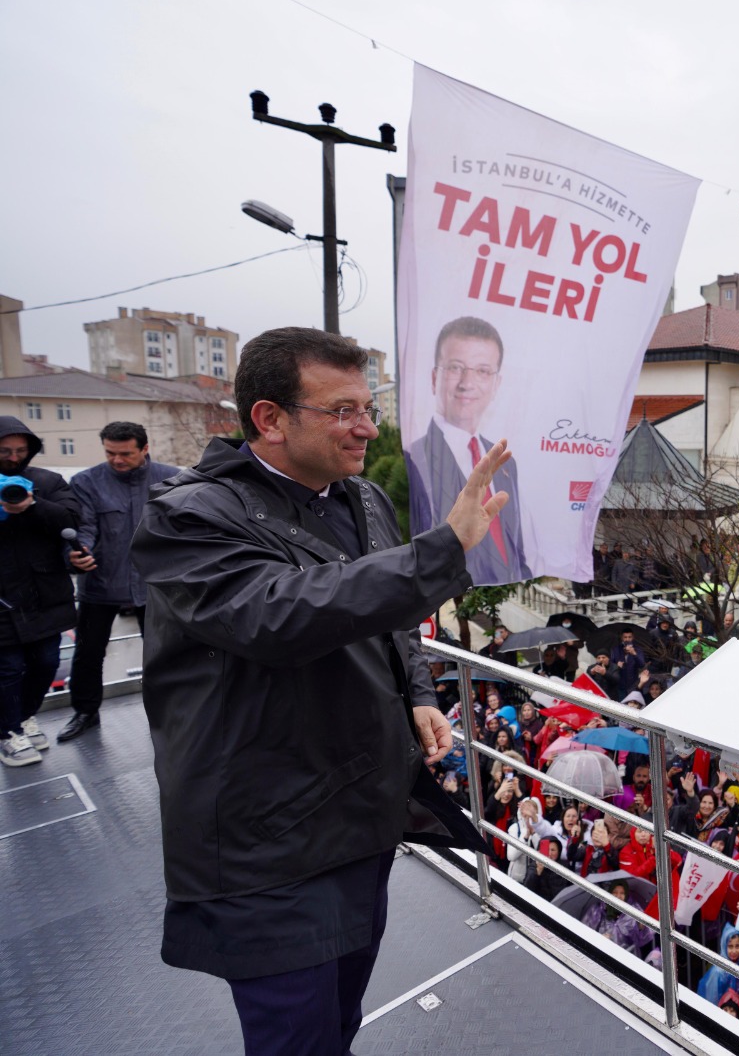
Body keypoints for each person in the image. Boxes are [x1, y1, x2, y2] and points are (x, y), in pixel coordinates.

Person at [131, 327, 502, 1056]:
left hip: (357, 818)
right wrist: (443, 549)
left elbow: (388, 618)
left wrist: (419, 691)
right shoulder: (189, 517)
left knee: (337, 1022)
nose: (367, 427)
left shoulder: (362, 499)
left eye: (368, 407)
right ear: (270, 419)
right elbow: (284, 612)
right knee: (294, 1040)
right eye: (341, 411)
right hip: (267, 840)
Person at [59, 421, 179, 743]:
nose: (117, 460)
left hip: (155, 585)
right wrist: (77, 554)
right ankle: (85, 712)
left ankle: (172, 714)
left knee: (164, 654)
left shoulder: (173, 478)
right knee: (88, 653)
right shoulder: (86, 481)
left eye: (125, 453)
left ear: (144, 448)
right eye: (111, 453)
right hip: (101, 583)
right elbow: (84, 527)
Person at [404, 315, 533, 583]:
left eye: (483, 371)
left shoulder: (506, 463)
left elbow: (513, 550)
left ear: (496, 384)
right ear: (434, 377)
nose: (467, 382)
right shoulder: (414, 460)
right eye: (455, 367)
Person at [0, 415, 81, 767]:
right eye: (4, 450)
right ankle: (8, 733)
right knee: (8, 669)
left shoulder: (46, 481)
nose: (13, 457)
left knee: (46, 662)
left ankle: (23, 716)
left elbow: (70, 519)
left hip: (45, 592)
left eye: (20, 450)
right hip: (3, 599)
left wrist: (32, 505)